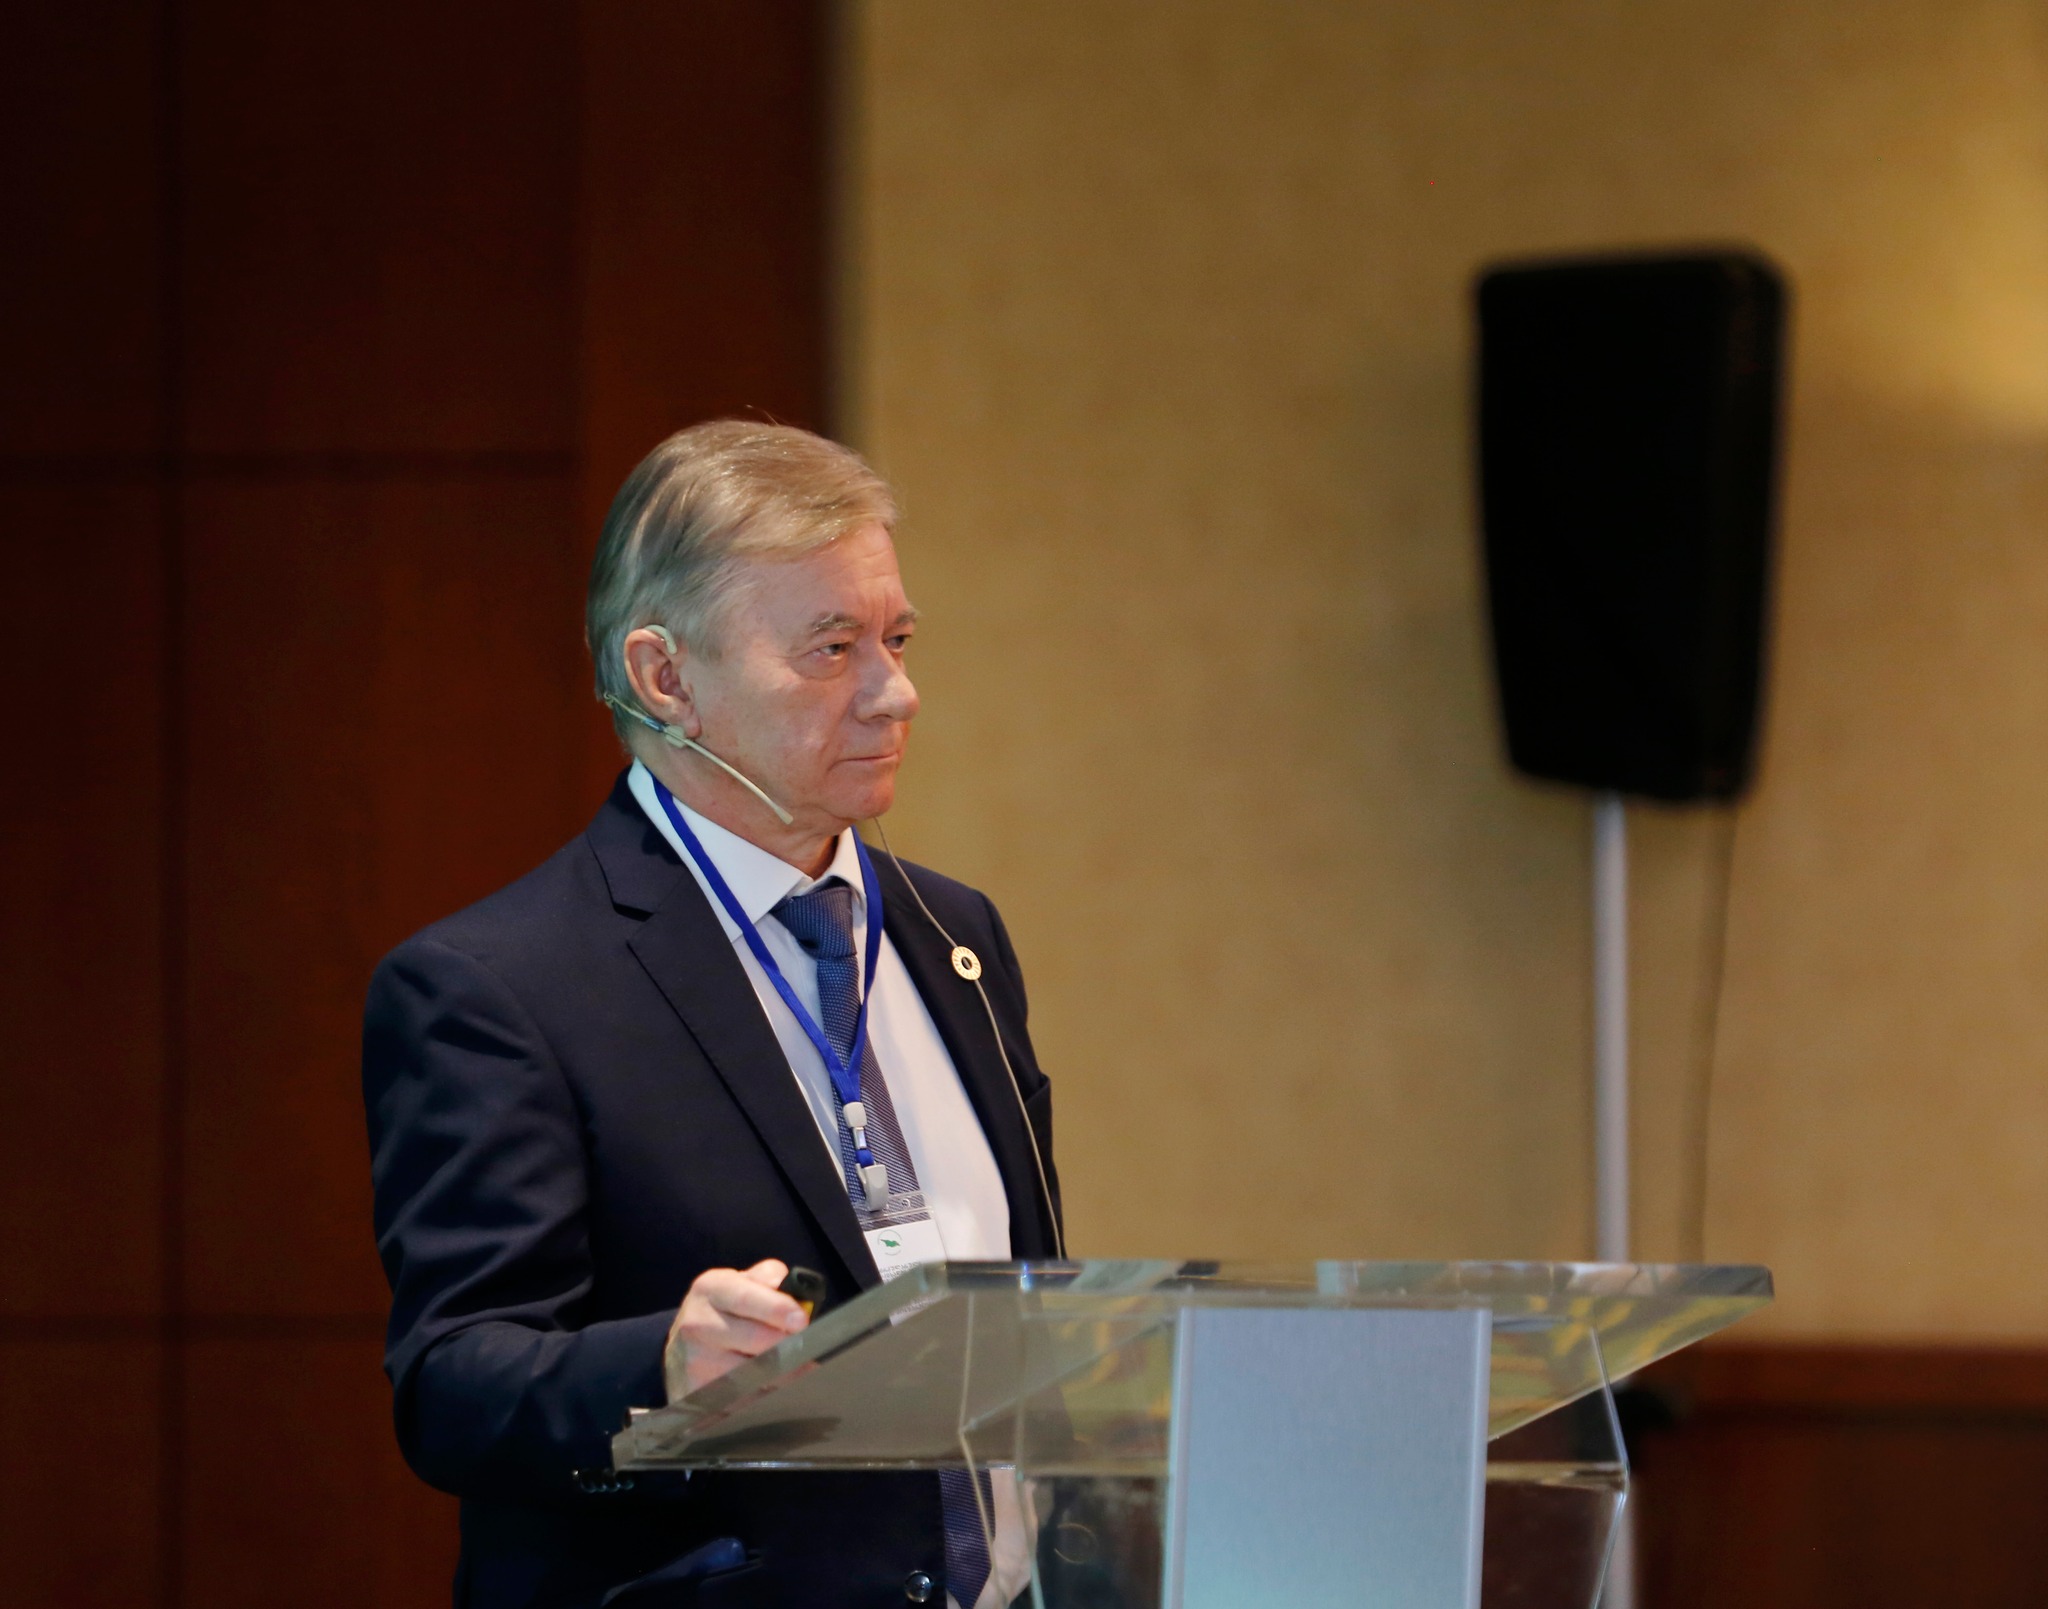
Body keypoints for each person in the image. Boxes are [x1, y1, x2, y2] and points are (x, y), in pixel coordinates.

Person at [362, 422, 1062, 1608]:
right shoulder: (497, 987)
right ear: (665, 678)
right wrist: (665, 1367)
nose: (895, 693)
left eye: (894, 640)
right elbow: (453, 1389)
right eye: (830, 648)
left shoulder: (956, 936)